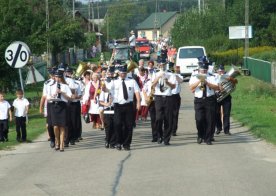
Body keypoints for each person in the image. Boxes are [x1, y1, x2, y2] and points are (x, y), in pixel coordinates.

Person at [109, 64, 141, 151]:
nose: (123, 74)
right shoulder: (114, 82)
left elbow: (137, 92)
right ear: (119, 73)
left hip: (129, 105)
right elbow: (108, 91)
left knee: (129, 125)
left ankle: (126, 144)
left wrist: (138, 102)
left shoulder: (132, 81)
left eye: (125, 73)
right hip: (118, 106)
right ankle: (118, 142)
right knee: (118, 124)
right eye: (122, 73)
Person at [189, 60, 219, 145]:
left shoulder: (212, 76)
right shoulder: (195, 76)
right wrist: (199, 81)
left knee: (210, 120)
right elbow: (191, 87)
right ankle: (200, 134)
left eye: (205, 69)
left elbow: (217, 87)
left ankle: (208, 138)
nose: (204, 71)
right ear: (199, 69)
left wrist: (207, 83)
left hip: (210, 99)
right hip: (199, 100)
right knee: (199, 119)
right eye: (202, 69)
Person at [46, 70, 72, 152]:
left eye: (58, 77)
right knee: (55, 126)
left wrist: (62, 92)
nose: (57, 78)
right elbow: (47, 97)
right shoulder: (50, 86)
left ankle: (61, 144)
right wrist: (52, 96)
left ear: (61, 77)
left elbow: (69, 98)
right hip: (54, 106)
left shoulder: (65, 86)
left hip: (63, 106)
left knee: (62, 126)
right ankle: (57, 140)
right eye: (56, 76)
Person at [152, 62, 176, 145]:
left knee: (168, 119)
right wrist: (158, 77)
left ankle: (166, 139)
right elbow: (153, 85)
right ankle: (159, 135)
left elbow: (173, 87)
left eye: (163, 65)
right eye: (160, 65)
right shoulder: (155, 73)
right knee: (158, 118)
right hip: (158, 97)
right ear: (158, 65)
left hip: (168, 97)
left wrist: (167, 81)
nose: (162, 66)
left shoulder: (170, 74)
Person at [215, 64, 237, 135]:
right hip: (217, 96)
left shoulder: (228, 76)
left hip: (226, 96)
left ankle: (226, 130)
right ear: (217, 71)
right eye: (220, 71)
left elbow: (234, 85)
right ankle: (218, 128)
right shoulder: (214, 77)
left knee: (226, 114)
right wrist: (219, 86)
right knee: (217, 113)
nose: (221, 72)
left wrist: (232, 80)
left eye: (222, 71)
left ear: (224, 71)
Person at [171, 65, 183, 136]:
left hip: (176, 96)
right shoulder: (170, 75)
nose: (177, 69)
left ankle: (174, 130)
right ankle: (169, 128)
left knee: (175, 114)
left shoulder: (179, 76)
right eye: (176, 67)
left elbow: (180, 81)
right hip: (169, 96)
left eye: (178, 68)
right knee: (169, 114)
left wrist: (176, 75)